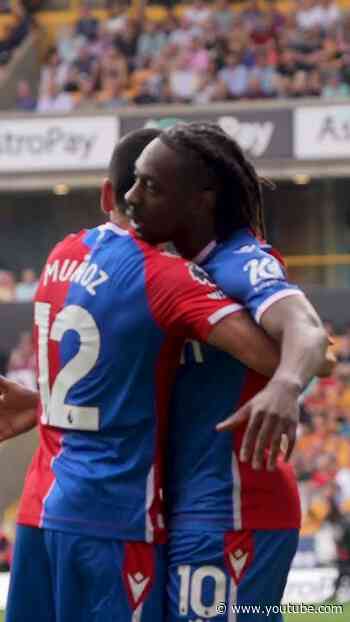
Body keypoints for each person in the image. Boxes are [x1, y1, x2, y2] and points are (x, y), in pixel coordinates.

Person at [2, 129, 285, 622]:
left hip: (38, 509)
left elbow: (104, 366)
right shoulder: (164, 276)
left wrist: (44, 404)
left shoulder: (60, 255)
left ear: (106, 194)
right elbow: (275, 356)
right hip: (113, 517)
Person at [124, 122, 329, 621]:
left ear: (202, 201)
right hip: (194, 507)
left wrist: (284, 384)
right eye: (134, 180)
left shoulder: (240, 262)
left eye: (152, 186)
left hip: (234, 508)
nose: (133, 197)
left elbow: (307, 328)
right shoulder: (174, 271)